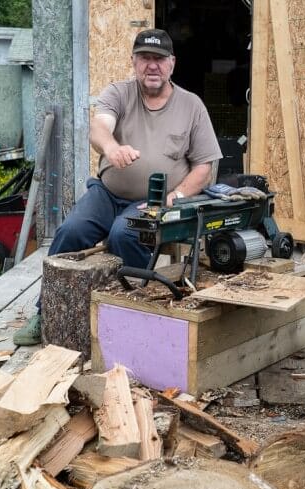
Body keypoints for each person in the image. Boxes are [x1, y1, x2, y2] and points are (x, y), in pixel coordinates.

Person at [13, 28, 222, 346]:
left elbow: (204, 166)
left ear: (172, 64)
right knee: (70, 231)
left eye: (159, 59)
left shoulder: (191, 106)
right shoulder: (119, 93)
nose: (152, 66)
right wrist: (111, 148)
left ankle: (130, 313)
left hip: (154, 202)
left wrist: (177, 196)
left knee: (124, 233)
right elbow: (99, 127)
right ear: (134, 62)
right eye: (145, 58)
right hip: (106, 192)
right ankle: (46, 310)